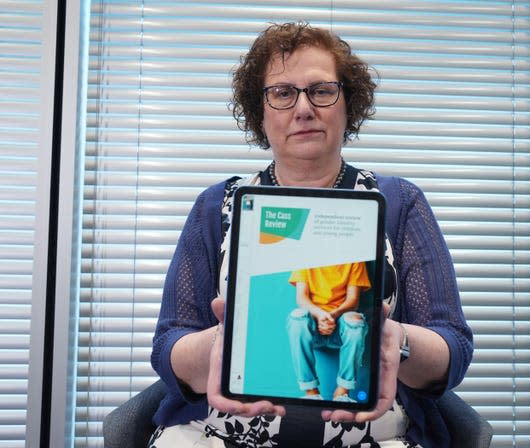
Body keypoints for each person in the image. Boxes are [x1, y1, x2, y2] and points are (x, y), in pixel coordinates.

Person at [150, 21, 473, 448]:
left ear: (347, 104)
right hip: (220, 434)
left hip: (374, 437)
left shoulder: (400, 202)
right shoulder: (216, 207)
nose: (303, 108)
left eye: (321, 91)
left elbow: (453, 343)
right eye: (282, 93)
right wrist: (224, 344)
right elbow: (168, 344)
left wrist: (398, 340)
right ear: (259, 111)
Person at [287, 262, 371, 402]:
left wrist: (333, 315)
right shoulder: (304, 256)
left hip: (340, 328)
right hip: (313, 327)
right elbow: (301, 298)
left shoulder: (356, 259)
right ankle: (311, 392)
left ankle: (342, 392)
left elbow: (353, 300)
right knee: (297, 317)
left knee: (355, 320)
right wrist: (320, 315)